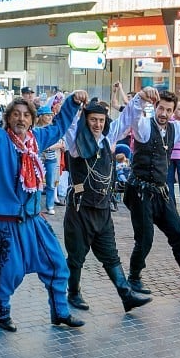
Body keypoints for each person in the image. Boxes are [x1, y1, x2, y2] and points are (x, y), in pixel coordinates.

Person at [0, 91, 86, 331]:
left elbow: (58, 127)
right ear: (8, 118)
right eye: (16, 114)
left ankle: (60, 312)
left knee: (57, 263)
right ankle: (1, 312)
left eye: (26, 115)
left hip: (33, 218)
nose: (21, 119)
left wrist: (73, 102)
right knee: (8, 271)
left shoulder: (36, 140)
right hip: (6, 221)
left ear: (32, 119)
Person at [113, 89, 180, 296]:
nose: (164, 113)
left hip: (161, 191)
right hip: (140, 190)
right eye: (161, 108)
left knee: (178, 233)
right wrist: (140, 97)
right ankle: (134, 278)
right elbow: (132, 115)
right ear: (155, 107)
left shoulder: (175, 128)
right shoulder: (143, 126)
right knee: (145, 238)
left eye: (169, 110)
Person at [58, 97, 152, 313]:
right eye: (93, 119)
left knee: (110, 254)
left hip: (102, 208)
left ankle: (126, 295)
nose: (98, 124)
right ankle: (73, 293)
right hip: (80, 208)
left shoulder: (108, 138)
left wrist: (141, 98)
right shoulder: (75, 141)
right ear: (86, 119)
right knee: (76, 256)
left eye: (101, 120)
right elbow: (70, 123)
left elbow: (127, 116)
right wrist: (73, 100)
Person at [36, 104, 63, 215]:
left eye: (51, 115)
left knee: (51, 183)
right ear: (41, 116)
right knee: (37, 183)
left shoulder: (53, 129)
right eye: (47, 115)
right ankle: (36, 206)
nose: (50, 117)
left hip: (51, 158)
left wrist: (48, 146)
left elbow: (61, 144)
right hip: (39, 158)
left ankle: (50, 205)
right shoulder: (36, 129)